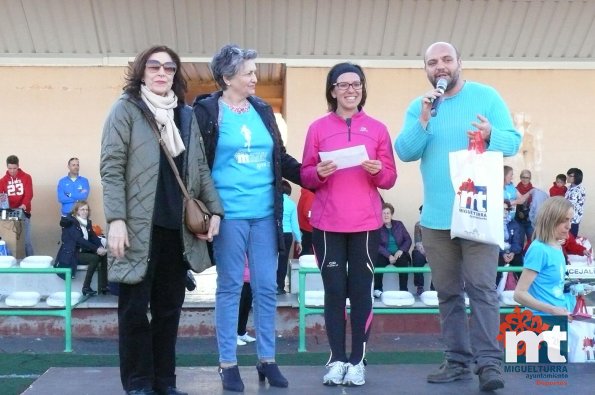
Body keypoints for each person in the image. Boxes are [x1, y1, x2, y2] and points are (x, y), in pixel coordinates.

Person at [394, 42, 521, 391]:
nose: (440, 67)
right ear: (426, 70)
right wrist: (423, 120)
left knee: (482, 288)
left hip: (478, 214)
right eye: (432, 63)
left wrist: (490, 135)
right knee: (447, 292)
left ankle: (489, 365)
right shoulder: (419, 107)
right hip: (437, 220)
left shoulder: (486, 97)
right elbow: (404, 151)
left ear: (459, 63)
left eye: (446, 60)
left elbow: (512, 142)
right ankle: (457, 362)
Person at [100, 45, 223, 395]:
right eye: (154, 66)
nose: (161, 73)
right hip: (137, 229)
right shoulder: (125, 110)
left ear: (175, 74)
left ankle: (164, 382)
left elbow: (199, 168)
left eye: (169, 68)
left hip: (175, 230)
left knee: (169, 311)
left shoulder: (185, 116)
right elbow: (111, 169)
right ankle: (139, 384)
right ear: (141, 71)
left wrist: (215, 210)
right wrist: (116, 220)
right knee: (135, 311)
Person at [192, 44, 301, 392]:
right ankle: (228, 363)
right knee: (230, 288)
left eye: (254, 71)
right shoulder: (207, 112)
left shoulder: (263, 110)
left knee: (268, 288)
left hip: (266, 216)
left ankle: (267, 360)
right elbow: (197, 166)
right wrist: (209, 211)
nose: (255, 77)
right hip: (229, 217)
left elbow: (280, 157)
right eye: (248, 72)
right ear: (227, 78)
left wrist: (313, 175)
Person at [301, 62, 397, 387]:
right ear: (332, 90)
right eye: (343, 85)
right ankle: (336, 360)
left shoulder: (378, 129)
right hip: (327, 224)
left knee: (361, 293)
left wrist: (375, 171)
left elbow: (390, 178)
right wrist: (318, 174)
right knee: (333, 293)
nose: (350, 90)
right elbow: (305, 174)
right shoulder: (317, 128)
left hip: (366, 225)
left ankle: (357, 360)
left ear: (362, 89)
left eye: (356, 84)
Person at [514, 197, 573, 317]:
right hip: (540, 323)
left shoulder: (557, 246)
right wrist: (552, 310)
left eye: (571, 220)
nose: (569, 226)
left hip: (557, 321)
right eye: (564, 220)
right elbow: (519, 294)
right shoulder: (539, 249)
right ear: (550, 220)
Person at [55, 200, 107, 295]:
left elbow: (93, 237)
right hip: (72, 254)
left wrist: (100, 246)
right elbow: (79, 239)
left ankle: (104, 286)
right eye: (82, 209)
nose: (85, 212)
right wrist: (96, 249)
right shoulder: (71, 222)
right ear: (76, 211)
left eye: (87, 209)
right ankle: (86, 287)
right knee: (94, 258)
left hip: (81, 251)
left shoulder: (87, 223)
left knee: (104, 255)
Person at [0, 155, 34, 256]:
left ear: (18, 166)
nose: (12, 171)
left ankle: (32, 265)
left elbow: (29, 194)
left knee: (26, 241)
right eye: (10, 168)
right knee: (8, 242)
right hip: (8, 215)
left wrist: (23, 205)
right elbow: (2, 197)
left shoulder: (26, 177)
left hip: (23, 213)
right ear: (7, 167)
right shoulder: (2, 181)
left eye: (14, 168)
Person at [375, 202, 411, 296]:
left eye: (388, 213)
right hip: (384, 254)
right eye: (384, 213)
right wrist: (388, 255)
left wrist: (401, 250)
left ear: (391, 215)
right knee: (378, 262)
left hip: (398, 253)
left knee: (403, 263)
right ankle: (377, 290)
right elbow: (376, 245)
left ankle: (404, 291)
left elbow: (408, 240)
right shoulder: (377, 227)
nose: (386, 215)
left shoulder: (399, 224)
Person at [276, 180, 302, 294]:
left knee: (270, 260)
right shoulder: (291, 204)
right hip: (286, 235)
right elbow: (295, 224)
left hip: (273, 233)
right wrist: (299, 240)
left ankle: (268, 285)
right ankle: (280, 287)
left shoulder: (274, 203)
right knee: (283, 260)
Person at [497, 200, 524, 285]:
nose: (504, 211)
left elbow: (517, 241)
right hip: (498, 252)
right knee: (497, 261)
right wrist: (502, 253)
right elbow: (492, 243)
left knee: (519, 260)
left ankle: (524, 289)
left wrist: (512, 252)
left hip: (511, 251)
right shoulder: (493, 223)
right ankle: (493, 289)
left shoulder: (514, 223)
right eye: (502, 209)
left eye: (506, 209)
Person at [412, 205, 433, 295]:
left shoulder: (435, 226)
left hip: (433, 251)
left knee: (439, 258)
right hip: (421, 251)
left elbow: (437, 243)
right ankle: (420, 287)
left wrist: (431, 254)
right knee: (416, 256)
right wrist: (426, 254)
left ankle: (434, 287)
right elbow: (418, 242)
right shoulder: (418, 225)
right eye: (421, 213)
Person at [237, 258, 256, 346]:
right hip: (239, 281)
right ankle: (233, 336)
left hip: (250, 281)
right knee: (238, 309)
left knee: (246, 308)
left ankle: (241, 333)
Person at [565, 168, 586, 237]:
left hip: (573, 221)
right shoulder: (569, 187)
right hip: (567, 218)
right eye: (567, 175)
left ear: (576, 177)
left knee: (570, 240)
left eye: (570, 175)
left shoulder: (578, 190)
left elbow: (569, 204)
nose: (567, 177)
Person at [515, 169, 534, 243]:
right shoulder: (515, 189)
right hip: (518, 219)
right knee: (519, 240)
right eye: (523, 177)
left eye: (527, 177)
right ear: (520, 177)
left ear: (530, 178)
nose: (525, 179)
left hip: (530, 220)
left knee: (532, 240)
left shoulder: (533, 190)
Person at [297, 187, 315, 256]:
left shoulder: (306, 193)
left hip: (303, 226)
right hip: (308, 228)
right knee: (307, 251)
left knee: (304, 249)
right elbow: (307, 212)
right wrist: (315, 222)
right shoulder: (311, 194)